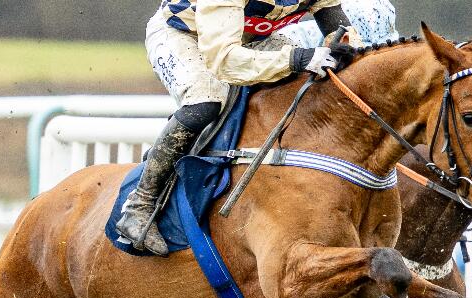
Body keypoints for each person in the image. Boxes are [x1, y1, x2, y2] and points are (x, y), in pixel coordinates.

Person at [119, 0, 358, 255]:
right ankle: (139, 205)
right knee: (206, 103)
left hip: (249, 38)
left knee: (313, 78)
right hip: (185, 35)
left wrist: (343, 51)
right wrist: (297, 59)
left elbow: (342, 33)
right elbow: (224, 61)